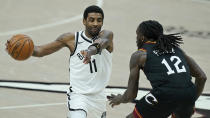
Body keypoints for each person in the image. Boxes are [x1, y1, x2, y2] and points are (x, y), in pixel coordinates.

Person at [6, 5, 113, 118]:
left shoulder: (108, 36)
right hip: (78, 95)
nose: (95, 23)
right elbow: (40, 51)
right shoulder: (71, 39)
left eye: (99, 20)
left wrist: (90, 51)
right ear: (84, 21)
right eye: (91, 20)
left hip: (99, 97)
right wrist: (16, 48)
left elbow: (101, 42)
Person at [108, 20, 206, 118]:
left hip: (165, 95)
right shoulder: (177, 49)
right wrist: (190, 99)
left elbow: (131, 95)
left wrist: (120, 99)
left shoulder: (140, 55)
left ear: (142, 38)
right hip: (188, 94)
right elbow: (202, 77)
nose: (136, 38)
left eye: (137, 35)